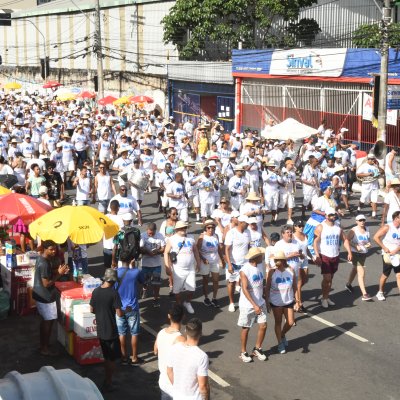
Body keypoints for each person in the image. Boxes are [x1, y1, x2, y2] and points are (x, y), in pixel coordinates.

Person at [32, 240, 69, 356]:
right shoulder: (44, 263)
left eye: (55, 249)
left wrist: (57, 271)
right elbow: (46, 283)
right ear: (45, 249)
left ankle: (44, 344)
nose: (54, 251)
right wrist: (59, 274)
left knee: (45, 321)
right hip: (45, 296)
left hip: (41, 295)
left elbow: (46, 273)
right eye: (51, 249)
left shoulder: (41, 259)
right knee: (48, 322)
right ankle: (44, 348)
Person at [90, 268, 123, 393]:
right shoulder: (113, 293)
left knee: (106, 357)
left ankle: (107, 380)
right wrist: (127, 310)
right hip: (111, 331)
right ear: (113, 281)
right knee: (112, 358)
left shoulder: (96, 291)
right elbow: (119, 313)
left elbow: (91, 309)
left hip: (101, 330)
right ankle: (108, 382)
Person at [313, 207, 352, 309]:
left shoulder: (338, 228)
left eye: (334, 215)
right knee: (327, 278)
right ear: (326, 216)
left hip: (335, 255)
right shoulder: (320, 227)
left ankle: (325, 296)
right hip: (325, 255)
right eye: (330, 215)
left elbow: (345, 240)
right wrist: (317, 255)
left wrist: (349, 252)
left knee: (330, 279)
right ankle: (324, 298)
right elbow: (315, 242)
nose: (333, 216)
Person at [167, 318, 210, 400]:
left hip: (177, 396)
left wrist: (178, 388)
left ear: (186, 331)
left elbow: (169, 371)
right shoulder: (202, 356)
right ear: (200, 333)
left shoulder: (175, 348)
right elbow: (203, 387)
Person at [237, 247, 268, 363]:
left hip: (260, 302)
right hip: (248, 305)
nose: (263, 256)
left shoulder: (259, 267)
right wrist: (254, 304)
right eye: (261, 255)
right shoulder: (244, 270)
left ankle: (257, 348)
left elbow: (261, 284)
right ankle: (243, 352)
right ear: (256, 257)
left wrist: (264, 298)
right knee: (246, 328)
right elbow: (244, 289)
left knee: (263, 325)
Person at [115, 252, 145, 366]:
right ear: (131, 260)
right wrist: (134, 266)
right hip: (132, 307)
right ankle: (134, 358)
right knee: (134, 333)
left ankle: (123, 357)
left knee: (121, 333)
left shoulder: (115, 273)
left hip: (119, 308)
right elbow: (143, 281)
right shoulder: (136, 272)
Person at [164, 221, 201, 314]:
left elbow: (195, 251)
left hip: (190, 268)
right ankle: (179, 305)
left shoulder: (191, 238)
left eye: (185, 227)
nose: (183, 230)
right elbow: (166, 252)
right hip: (178, 269)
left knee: (192, 288)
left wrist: (198, 262)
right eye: (181, 228)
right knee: (177, 290)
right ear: (176, 229)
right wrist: (167, 266)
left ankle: (187, 302)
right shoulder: (172, 239)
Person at [266, 251, 297, 354]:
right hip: (276, 301)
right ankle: (280, 342)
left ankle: (282, 334)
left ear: (283, 261)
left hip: (288, 300)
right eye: (276, 260)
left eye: (278, 260)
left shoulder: (291, 270)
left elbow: (295, 286)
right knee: (278, 322)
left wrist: (297, 300)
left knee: (290, 322)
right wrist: (267, 302)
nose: (276, 261)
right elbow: (267, 287)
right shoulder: (272, 272)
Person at [154, 304, 185, 400]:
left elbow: (155, 351)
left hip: (163, 380)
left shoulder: (161, 332)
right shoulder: (181, 339)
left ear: (169, 316)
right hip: (175, 382)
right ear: (183, 317)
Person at [224, 215, 251, 312]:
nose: (248, 225)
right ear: (241, 222)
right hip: (233, 263)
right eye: (247, 223)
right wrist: (229, 264)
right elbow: (226, 249)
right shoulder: (231, 233)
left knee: (245, 283)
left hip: (245, 263)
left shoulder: (248, 232)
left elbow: (248, 246)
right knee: (231, 283)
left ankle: (242, 301)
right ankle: (231, 302)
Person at [373, 210, 400, 301]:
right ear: (396, 218)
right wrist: (384, 248)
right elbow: (376, 237)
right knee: (386, 274)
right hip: (387, 255)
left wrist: (396, 250)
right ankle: (380, 292)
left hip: (396, 254)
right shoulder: (387, 227)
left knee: (399, 274)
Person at [345, 215, 373, 301]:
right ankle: (364, 294)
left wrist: (368, 244)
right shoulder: (353, 230)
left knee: (355, 269)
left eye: (363, 220)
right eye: (360, 220)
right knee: (361, 272)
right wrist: (355, 245)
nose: (362, 222)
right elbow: (346, 240)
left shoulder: (367, 229)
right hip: (355, 253)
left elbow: (368, 240)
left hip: (364, 253)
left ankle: (348, 284)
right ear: (356, 221)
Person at [196, 219, 224, 308]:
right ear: (205, 228)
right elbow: (197, 250)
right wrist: (203, 259)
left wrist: (222, 259)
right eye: (208, 228)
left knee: (216, 280)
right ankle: (206, 297)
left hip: (215, 261)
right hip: (205, 262)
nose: (210, 229)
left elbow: (218, 249)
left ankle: (214, 298)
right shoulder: (202, 237)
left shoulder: (216, 236)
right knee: (206, 281)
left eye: (212, 227)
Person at [140, 222, 166, 307]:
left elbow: (163, 248)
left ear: (155, 231)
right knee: (145, 281)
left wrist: (157, 252)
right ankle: (144, 289)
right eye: (149, 233)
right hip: (145, 263)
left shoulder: (160, 236)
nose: (150, 235)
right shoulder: (143, 235)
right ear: (147, 230)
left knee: (156, 283)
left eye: (152, 233)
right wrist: (148, 251)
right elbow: (140, 248)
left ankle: (156, 298)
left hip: (156, 264)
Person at [103, 200, 123, 270]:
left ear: (110, 208)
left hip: (106, 246)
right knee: (115, 268)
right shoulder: (120, 219)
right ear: (118, 208)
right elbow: (120, 235)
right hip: (116, 247)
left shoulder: (105, 217)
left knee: (107, 269)